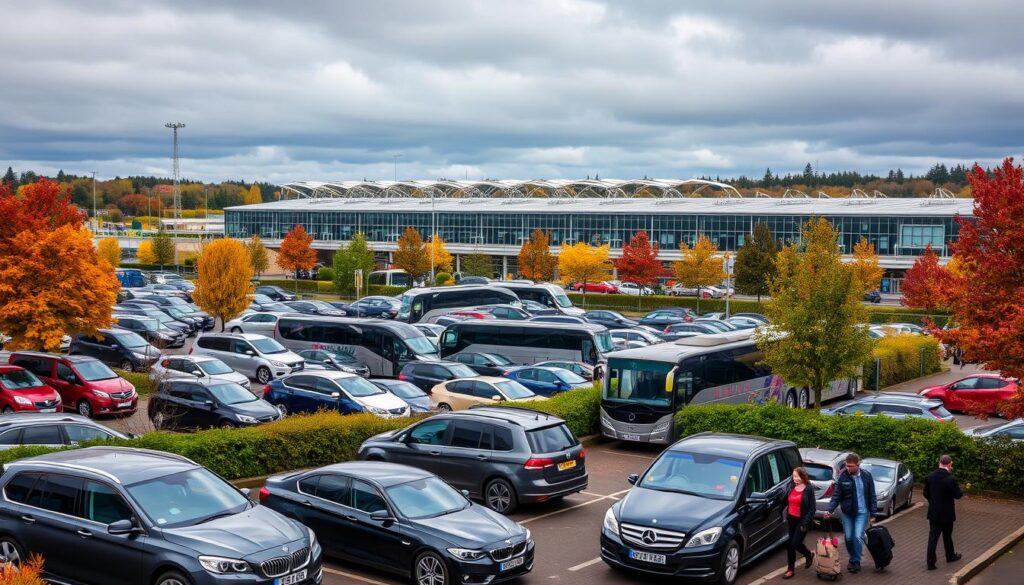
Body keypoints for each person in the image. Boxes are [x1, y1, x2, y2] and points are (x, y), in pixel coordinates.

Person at [824, 453, 877, 573]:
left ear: (858, 465)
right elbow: (836, 496)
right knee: (848, 538)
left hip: (862, 512)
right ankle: (854, 557)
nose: (848, 468)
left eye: (851, 466)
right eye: (847, 466)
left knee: (857, 536)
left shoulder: (867, 476)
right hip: (847, 512)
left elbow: (872, 495)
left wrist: (873, 514)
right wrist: (830, 510)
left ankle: (855, 560)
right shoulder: (843, 477)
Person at [924, 454, 964, 570]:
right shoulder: (951, 479)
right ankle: (950, 556)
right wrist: (961, 490)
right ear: (950, 464)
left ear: (939, 463)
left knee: (933, 537)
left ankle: (930, 562)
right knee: (947, 536)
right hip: (947, 514)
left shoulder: (930, 476)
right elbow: (958, 495)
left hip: (934, 512)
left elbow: (926, 493)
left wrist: (932, 501)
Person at [783, 467, 816, 579]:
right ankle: (790, 570)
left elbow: (812, 509)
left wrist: (805, 523)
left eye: (797, 476)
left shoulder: (809, 489)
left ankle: (808, 554)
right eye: (793, 476)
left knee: (796, 543)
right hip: (791, 519)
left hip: (802, 521)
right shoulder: (791, 486)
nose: (795, 479)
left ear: (803, 476)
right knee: (790, 545)